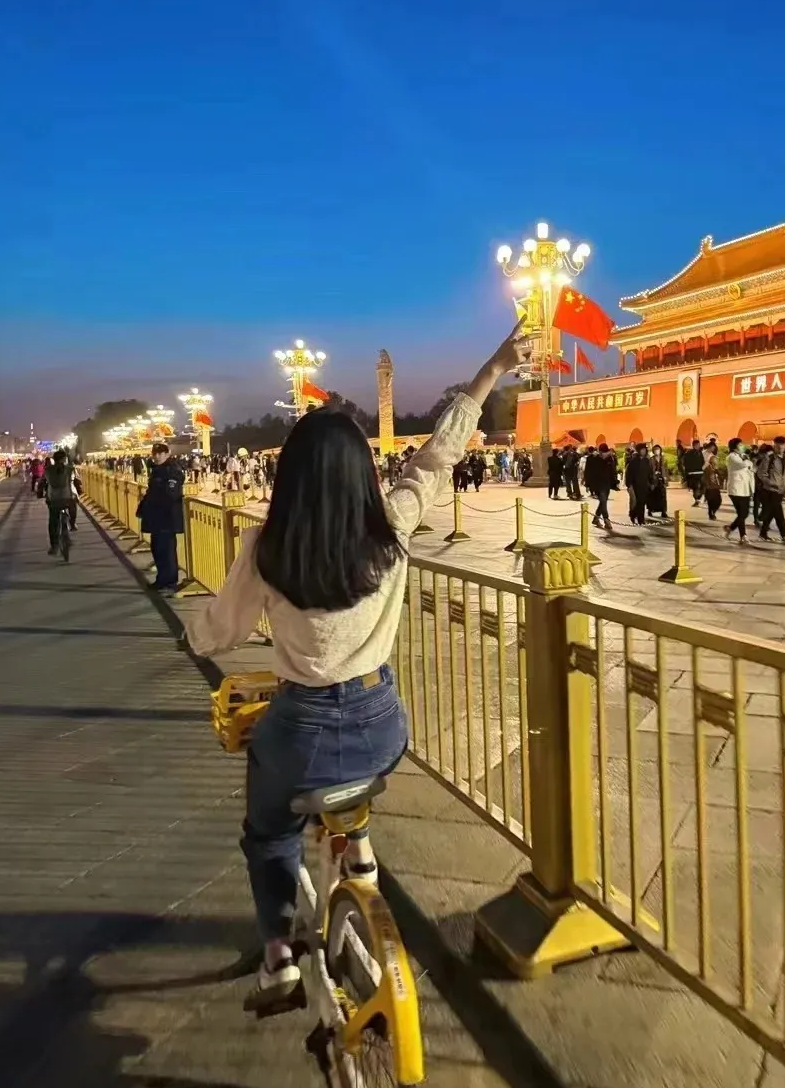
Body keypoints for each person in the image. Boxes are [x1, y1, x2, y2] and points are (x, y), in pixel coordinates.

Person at [188, 326, 530, 1008]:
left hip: (300, 727)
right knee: (350, 781)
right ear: (364, 475)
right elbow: (439, 455)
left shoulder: (266, 545)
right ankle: (361, 847)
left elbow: (219, 630)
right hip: (382, 725)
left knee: (268, 834)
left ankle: (280, 958)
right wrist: (493, 365)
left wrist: (199, 637)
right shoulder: (393, 528)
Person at [138, 442, 185, 592]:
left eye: (160, 453)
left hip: (167, 517)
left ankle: (170, 581)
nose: (157, 456)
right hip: (156, 517)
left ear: (167, 454)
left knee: (167, 550)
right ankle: (161, 579)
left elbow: (171, 494)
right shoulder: (157, 470)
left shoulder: (173, 471)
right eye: (155, 454)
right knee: (157, 548)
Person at [44, 449, 79, 556]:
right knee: (74, 505)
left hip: (53, 499)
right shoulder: (70, 469)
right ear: (65, 459)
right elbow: (77, 480)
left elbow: (43, 483)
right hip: (67, 498)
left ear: (54, 459)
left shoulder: (48, 469)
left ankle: (54, 546)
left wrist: (40, 493)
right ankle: (72, 524)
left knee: (53, 522)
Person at [756, 436, 785, 543]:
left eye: (782, 445)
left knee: (772, 512)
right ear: (774, 445)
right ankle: (784, 535)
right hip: (770, 490)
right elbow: (761, 473)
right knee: (779, 512)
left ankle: (763, 532)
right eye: (778, 445)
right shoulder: (769, 458)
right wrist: (772, 483)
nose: (780, 447)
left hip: (780, 490)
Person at [724, 438, 755, 543]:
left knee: (745, 513)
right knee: (741, 512)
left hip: (745, 488)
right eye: (740, 445)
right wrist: (748, 461)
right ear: (734, 446)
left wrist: (748, 461)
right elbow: (743, 465)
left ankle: (731, 528)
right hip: (736, 489)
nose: (743, 446)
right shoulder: (731, 457)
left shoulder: (742, 456)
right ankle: (743, 536)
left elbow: (751, 468)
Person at [584, 442, 617, 529]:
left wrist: (614, 483)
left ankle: (596, 518)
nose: (603, 454)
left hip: (606, 483)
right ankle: (606, 519)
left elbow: (612, 471)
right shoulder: (593, 458)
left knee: (603, 502)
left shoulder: (610, 458)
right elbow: (588, 472)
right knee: (603, 500)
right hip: (597, 484)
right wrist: (587, 484)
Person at [625, 441, 652, 525]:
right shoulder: (633, 462)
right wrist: (629, 485)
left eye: (644, 450)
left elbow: (649, 473)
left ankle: (641, 519)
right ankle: (633, 515)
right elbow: (629, 474)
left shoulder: (647, 461)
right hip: (634, 485)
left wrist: (651, 482)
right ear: (638, 450)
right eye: (642, 450)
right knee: (635, 502)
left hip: (644, 485)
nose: (643, 451)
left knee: (642, 502)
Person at [647, 444, 669, 521]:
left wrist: (666, 479)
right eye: (655, 449)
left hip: (662, 479)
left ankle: (663, 511)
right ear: (653, 451)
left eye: (658, 449)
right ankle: (650, 510)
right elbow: (649, 471)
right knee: (652, 496)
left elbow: (666, 470)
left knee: (663, 496)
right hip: (653, 480)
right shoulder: (650, 460)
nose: (657, 451)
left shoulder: (664, 459)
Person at [680, 438, 704, 504]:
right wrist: (688, 472)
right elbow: (685, 463)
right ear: (694, 445)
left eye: (699, 445)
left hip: (699, 472)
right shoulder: (689, 453)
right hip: (692, 473)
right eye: (698, 445)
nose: (699, 446)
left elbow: (702, 461)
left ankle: (698, 498)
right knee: (696, 487)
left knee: (701, 487)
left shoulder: (700, 452)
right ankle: (697, 499)